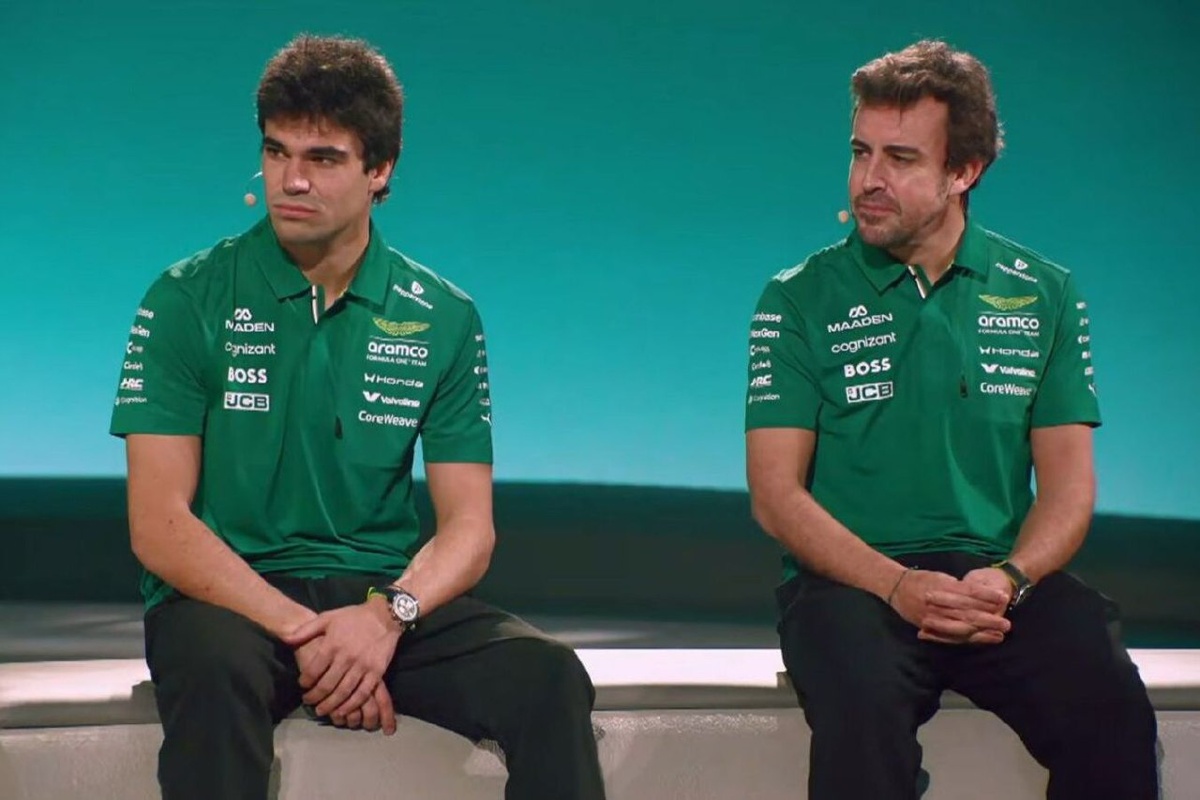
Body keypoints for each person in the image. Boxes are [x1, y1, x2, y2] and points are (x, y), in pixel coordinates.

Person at [110, 34, 605, 800]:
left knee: (549, 678)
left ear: (380, 171)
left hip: (376, 603)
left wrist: (384, 618)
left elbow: (469, 530)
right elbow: (159, 524)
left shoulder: (442, 316)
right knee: (213, 674)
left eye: (323, 158)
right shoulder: (185, 298)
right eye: (276, 152)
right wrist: (306, 633)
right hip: (228, 600)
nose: (292, 180)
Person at [744, 39, 1158, 799]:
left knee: (1112, 711)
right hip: (851, 585)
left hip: (998, 587)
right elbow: (776, 495)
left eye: (900, 158)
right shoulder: (797, 298)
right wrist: (897, 584)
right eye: (861, 152)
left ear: (964, 172)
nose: (869, 179)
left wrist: (1010, 578)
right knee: (860, 718)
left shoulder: (1046, 293)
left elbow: (1068, 491)